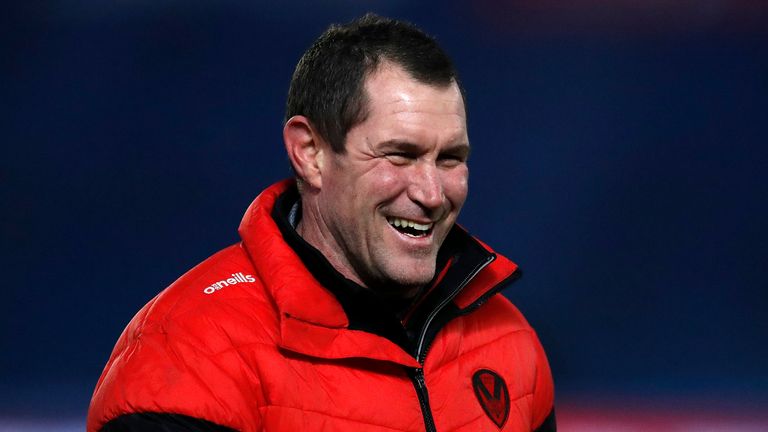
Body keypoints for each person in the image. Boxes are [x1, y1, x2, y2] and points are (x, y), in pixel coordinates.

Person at [87, 14, 556, 432]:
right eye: (400, 155)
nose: (432, 194)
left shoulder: (507, 340)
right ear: (310, 153)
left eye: (450, 159)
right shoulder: (190, 354)